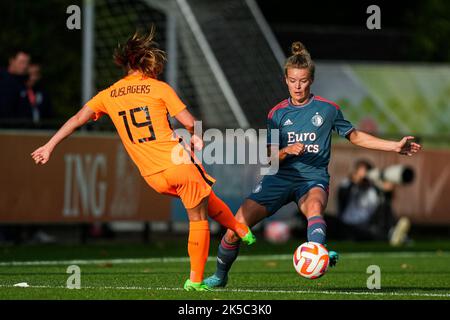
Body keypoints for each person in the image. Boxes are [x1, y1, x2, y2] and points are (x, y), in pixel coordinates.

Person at [30, 27, 255, 292]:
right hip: (177, 164)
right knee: (198, 217)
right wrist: (195, 137)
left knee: (203, 195)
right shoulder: (159, 88)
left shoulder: (108, 94)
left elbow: (77, 119)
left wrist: (49, 145)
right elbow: (189, 123)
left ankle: (240, 228)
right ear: (146, 62)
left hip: (152, 176)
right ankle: (195, 280)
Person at [204, 41, 422, 288]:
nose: (298, 86)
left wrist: (394, 146)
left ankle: (318, 251)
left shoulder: (328, 110)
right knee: (235, 228)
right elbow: (269, 157)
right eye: (293, 80)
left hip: (312, 178)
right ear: (285, 80)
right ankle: (220, 277)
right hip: (279, 178)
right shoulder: (276, 114)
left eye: (303, 80)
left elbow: (356, 136)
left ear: (311, 80)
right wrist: (286, 150)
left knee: (315, 209)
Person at [0, 49, 31, 121]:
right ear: (12, 61)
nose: (25, 66)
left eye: (27, 63)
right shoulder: (3, 80)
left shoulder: (23, 82)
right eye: (22, 62)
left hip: (21, 129)